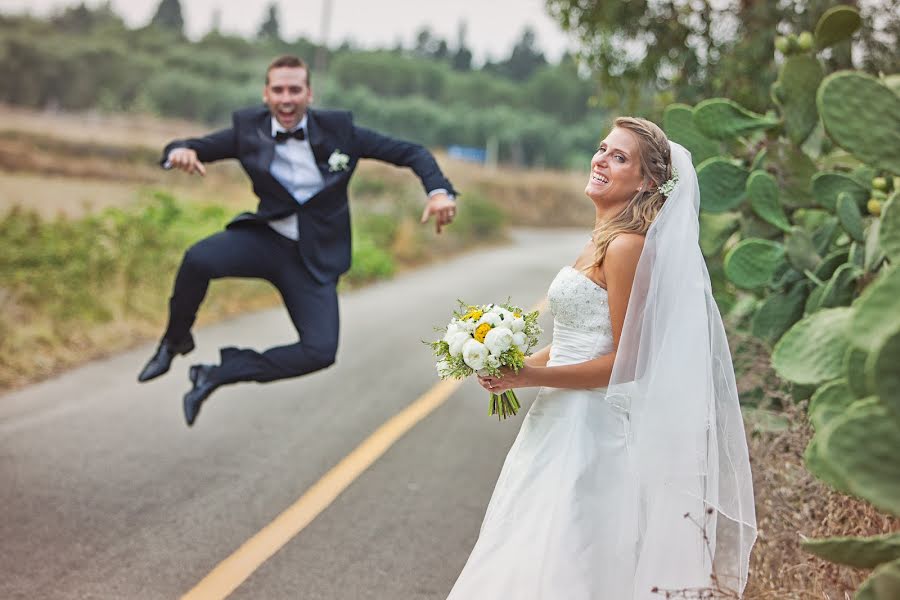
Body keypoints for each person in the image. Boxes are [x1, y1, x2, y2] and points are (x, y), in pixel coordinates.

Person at [448, 118, 756, 598]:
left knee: (570, 555)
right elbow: (579, 337)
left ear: (648, 181)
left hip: (592, 430)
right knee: (529, 544)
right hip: (557, 419)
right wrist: (515, 364)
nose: (600, 160)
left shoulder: (626, 247)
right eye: (601, 149)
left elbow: (628, 363)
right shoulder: (600, 238)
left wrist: (530, 374)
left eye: (619, 157)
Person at [137, 55, 458, 427]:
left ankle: (216, 374)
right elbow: (190, 145)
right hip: (266, 239)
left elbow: (411, 152)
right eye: (278, 90)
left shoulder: (341, 131)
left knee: (320, 351)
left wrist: (438, 191)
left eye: (294, 90)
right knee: (198, 259)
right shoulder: (248, 130)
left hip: (313, 256)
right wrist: (179, 151)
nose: (286, 99)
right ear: (265, 94)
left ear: (309, 93)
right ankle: (175, 340)